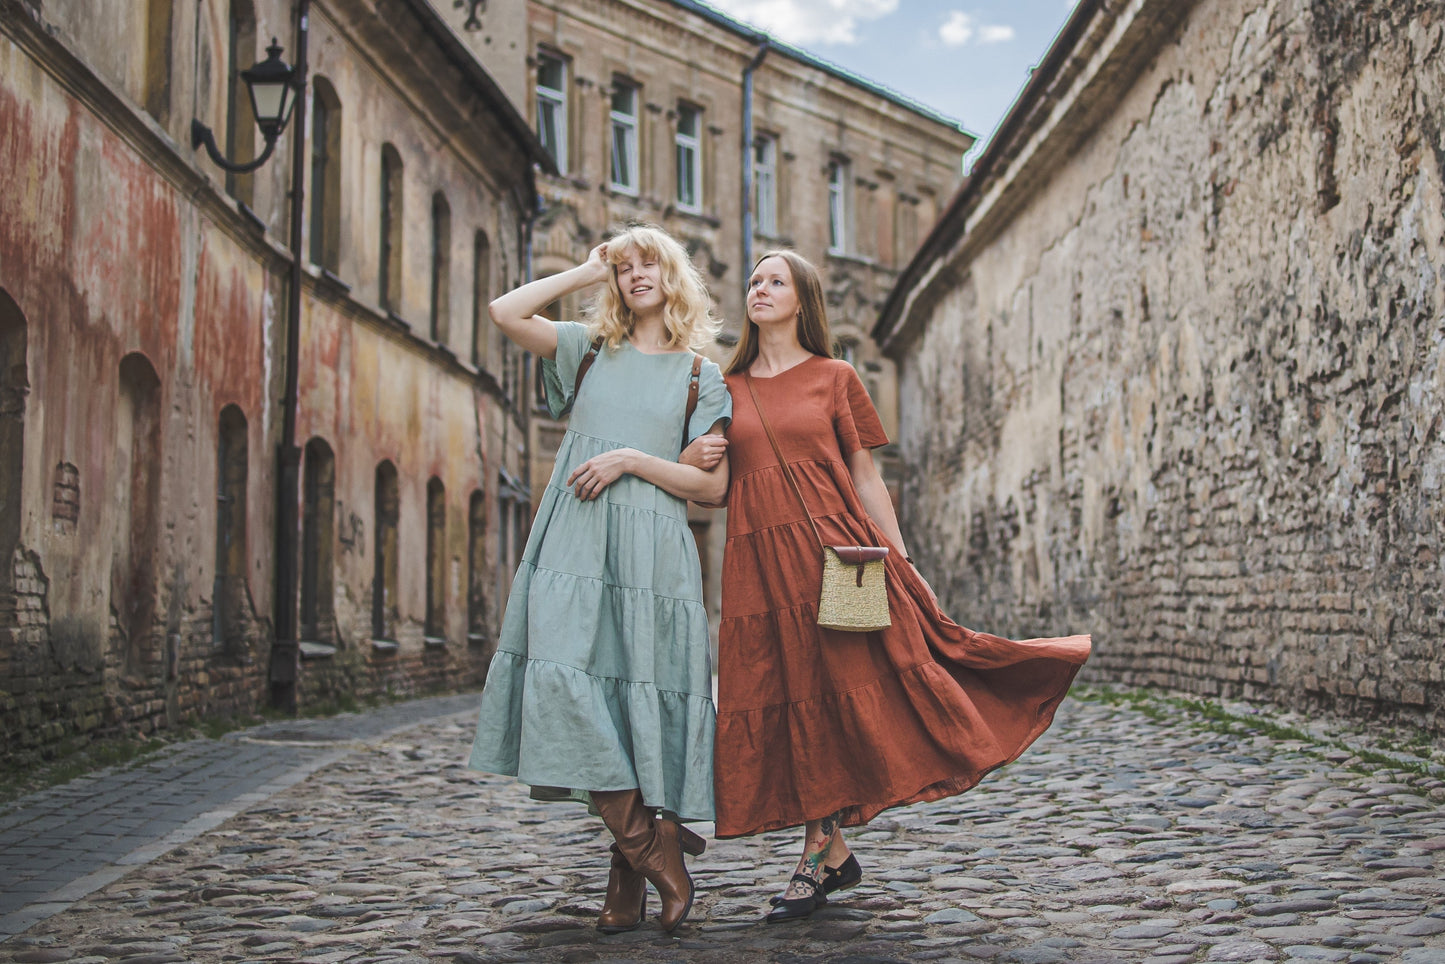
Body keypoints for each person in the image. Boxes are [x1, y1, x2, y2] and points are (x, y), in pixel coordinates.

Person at [685, 250, 1092, 922]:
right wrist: (688, 456)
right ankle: (834, 852)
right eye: (754, 280)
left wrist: (900, 561)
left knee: (848, 690)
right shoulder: (724, 386)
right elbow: (715, 484)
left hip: (838, 557)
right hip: (759, 566)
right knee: (790, 695)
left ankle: (815, 854)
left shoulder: (835, 376)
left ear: (801, 299)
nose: (759, 289)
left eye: (775, 281)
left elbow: (865, 476)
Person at [469, 224, 731, 935]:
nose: (635, 274)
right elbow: (504, 313)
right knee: (563, 682)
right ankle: (653, 847)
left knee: (635, 703)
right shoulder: (587, 351)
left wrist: (630, 460)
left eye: (649, 263)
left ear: (673, 276)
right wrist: (585, 271)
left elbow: (711, 490)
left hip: (651, 554)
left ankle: (628, 871)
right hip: (575, 542)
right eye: (624, 266)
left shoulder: (702, 376)